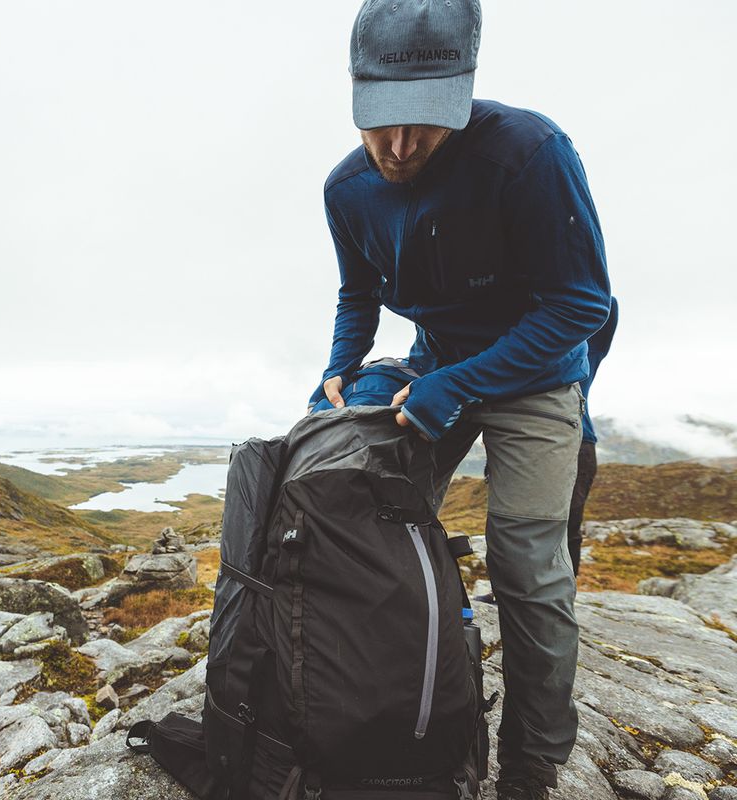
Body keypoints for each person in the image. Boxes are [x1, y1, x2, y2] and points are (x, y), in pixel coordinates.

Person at [307, 1, 611, 797]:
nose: (401, 147)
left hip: (539, 374)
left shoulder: (531, 153)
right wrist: (340, 365)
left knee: (528, 568)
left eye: (428, 122)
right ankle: (375, 717)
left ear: (464, 93)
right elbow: (357, 289)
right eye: (382, 124)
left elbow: (581, 306)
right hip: (433, 361)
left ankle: (532, 762)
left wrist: (463, 385)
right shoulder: (347, 189)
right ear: (356, 92)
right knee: (351, 514)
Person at [567, 296, 619, 575]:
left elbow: (608, 306)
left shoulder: (586, 350)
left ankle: (564, 594)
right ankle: (506, 591)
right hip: (518, 440)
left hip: (579, 444)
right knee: (514, 524)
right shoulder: (520, 347)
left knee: (568, 525)